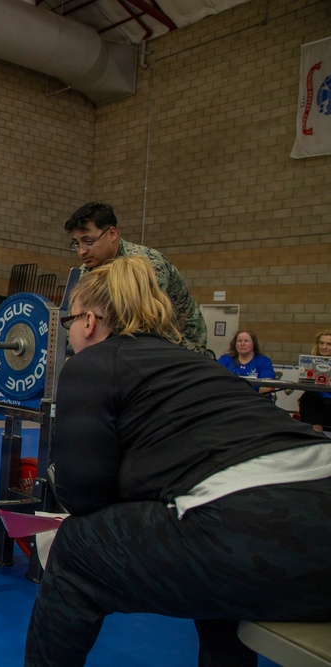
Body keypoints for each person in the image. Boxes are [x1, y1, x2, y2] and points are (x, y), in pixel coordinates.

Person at [24, 255, 331, 667]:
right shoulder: (200, 366)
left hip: (256, 532)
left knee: (75, 550)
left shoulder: (91, 364)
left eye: (69, 322)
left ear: (89, 322)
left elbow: (83, 497)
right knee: (216, 576)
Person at [64, 201, 207, 355]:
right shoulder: (85, 272)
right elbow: (74, 321)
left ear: (112, 234)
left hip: (179, 344)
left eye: (88, 242)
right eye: (76, 244)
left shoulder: (146, 264)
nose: (82, 251)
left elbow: (145, 325)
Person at [217, 329, 276, 397]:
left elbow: (266, 387)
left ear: (254, 344)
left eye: (246, 341)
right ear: (235, 344)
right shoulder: (225, 360)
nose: (242, 344)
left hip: (256, 401)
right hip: (228, 399)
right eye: (239, 341)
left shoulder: (264, 361)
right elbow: (217, 382)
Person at [299, 328, 331, 432]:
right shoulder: (310, 361)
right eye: (321, 343)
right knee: (308, 398)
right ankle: (316, 434)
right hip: (316, 398)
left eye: (329, 344)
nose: (324, 347)